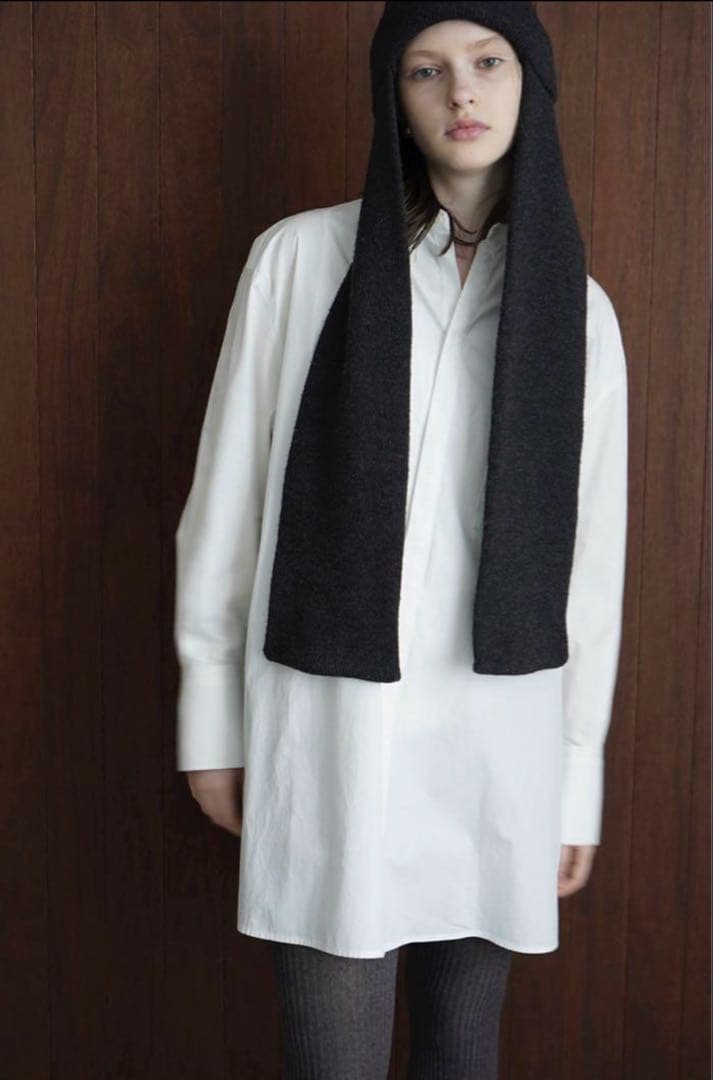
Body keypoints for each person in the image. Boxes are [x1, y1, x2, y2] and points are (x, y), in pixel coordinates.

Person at [174, 4, 628, 1078]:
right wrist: (210, 719)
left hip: (499, 732)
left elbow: (590, 570)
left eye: (487, 62)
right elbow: (225, 504)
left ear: (531, 83)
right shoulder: (300, 259)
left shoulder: (577, 312)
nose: (460, 91)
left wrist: (573, 779)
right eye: (426, 70)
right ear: (394, 98)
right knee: (331, 1058)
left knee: (463, 1051)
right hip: (338, 727)